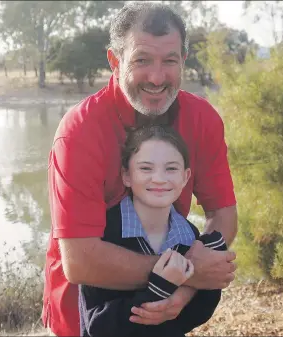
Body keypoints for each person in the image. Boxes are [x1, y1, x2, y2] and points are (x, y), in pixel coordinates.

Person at [43, 2, 238, 336]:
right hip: (85, 318)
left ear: (183, 61)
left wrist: (184, 289)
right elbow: (80, 261)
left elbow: (223, 217)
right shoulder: (79, 131)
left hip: (165, 312)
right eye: (142, 60)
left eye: (169, 61)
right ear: (115, 61)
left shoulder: (203, 120)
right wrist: (185, 272)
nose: (157, 77)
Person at [79, 125, 228, 337]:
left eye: (171, 169)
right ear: (126, 176)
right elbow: (97, 326)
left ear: (185, 177)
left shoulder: (189, 236)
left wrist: (209, 282)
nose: (159, 178)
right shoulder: (104, 233)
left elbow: (193, 316)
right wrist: (158, 290)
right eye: (146, 168)